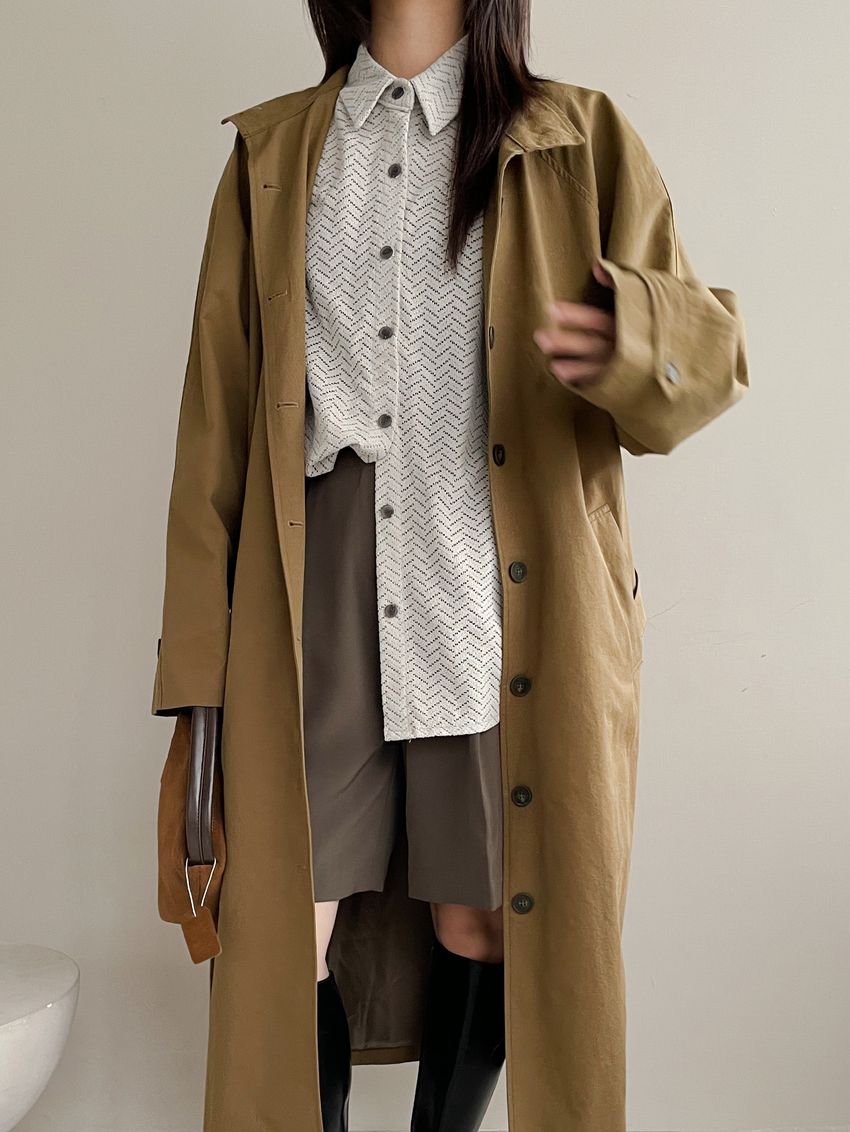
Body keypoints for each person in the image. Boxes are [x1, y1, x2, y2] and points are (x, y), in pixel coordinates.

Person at [151, 2, 749, 1130]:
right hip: (308, 586)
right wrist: (194, 665)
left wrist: (629, 339)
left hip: (491, 578)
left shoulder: (577, 138)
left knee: (484, 915)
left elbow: (708, 361)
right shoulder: (274, 152)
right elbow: (213, 428)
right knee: (280, 919)